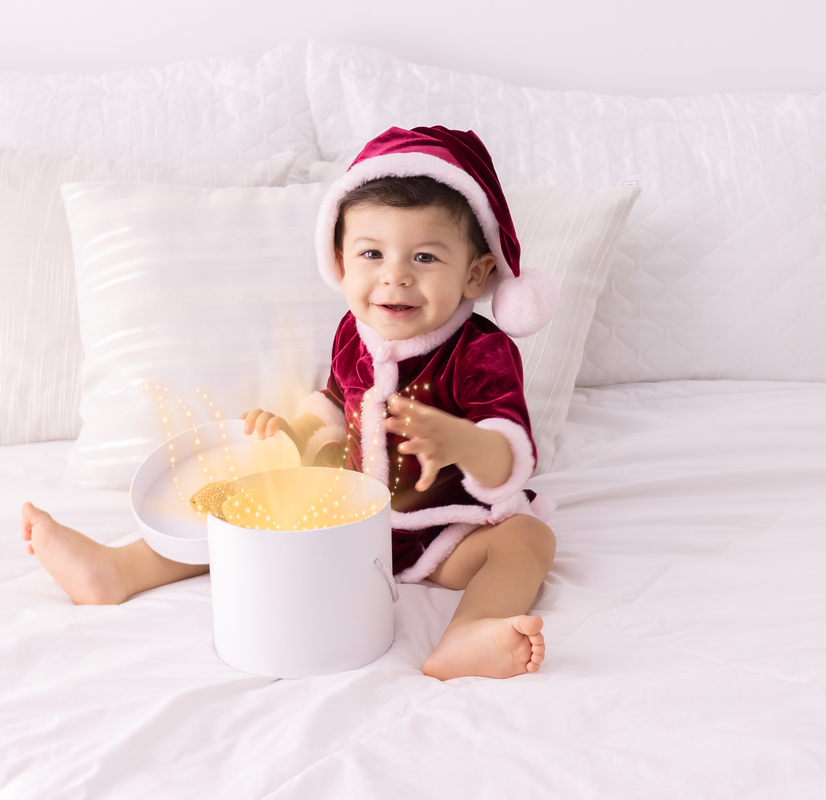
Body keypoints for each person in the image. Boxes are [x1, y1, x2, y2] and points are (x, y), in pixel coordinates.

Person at [21, 126, 559, 681]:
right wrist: (292, 431)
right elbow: (333, 400)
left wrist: (462, 442)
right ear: (341, 262)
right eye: (371, 253)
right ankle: (118, 569)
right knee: (247, 507)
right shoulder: (353, 331)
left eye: (424, 257)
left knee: (528, 537)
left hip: (450, 531)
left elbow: (511, 458)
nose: (394, 275)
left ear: (475, 273)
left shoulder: (481, 351)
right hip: (343, 520)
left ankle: (472, 631)